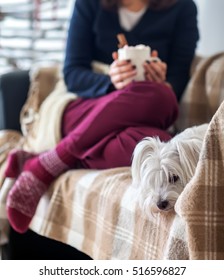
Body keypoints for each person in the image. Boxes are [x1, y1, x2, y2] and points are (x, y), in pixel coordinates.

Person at [4, 0, 199, 233]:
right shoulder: (89, 3)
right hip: (84, 108)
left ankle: (47, 160)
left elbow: (177, 82)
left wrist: (162, 81)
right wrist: (111, 82)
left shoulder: (183, 7)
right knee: (159, 105)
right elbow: (73, 73)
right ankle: (52, 161)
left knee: (153, 137)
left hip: (147, 111)